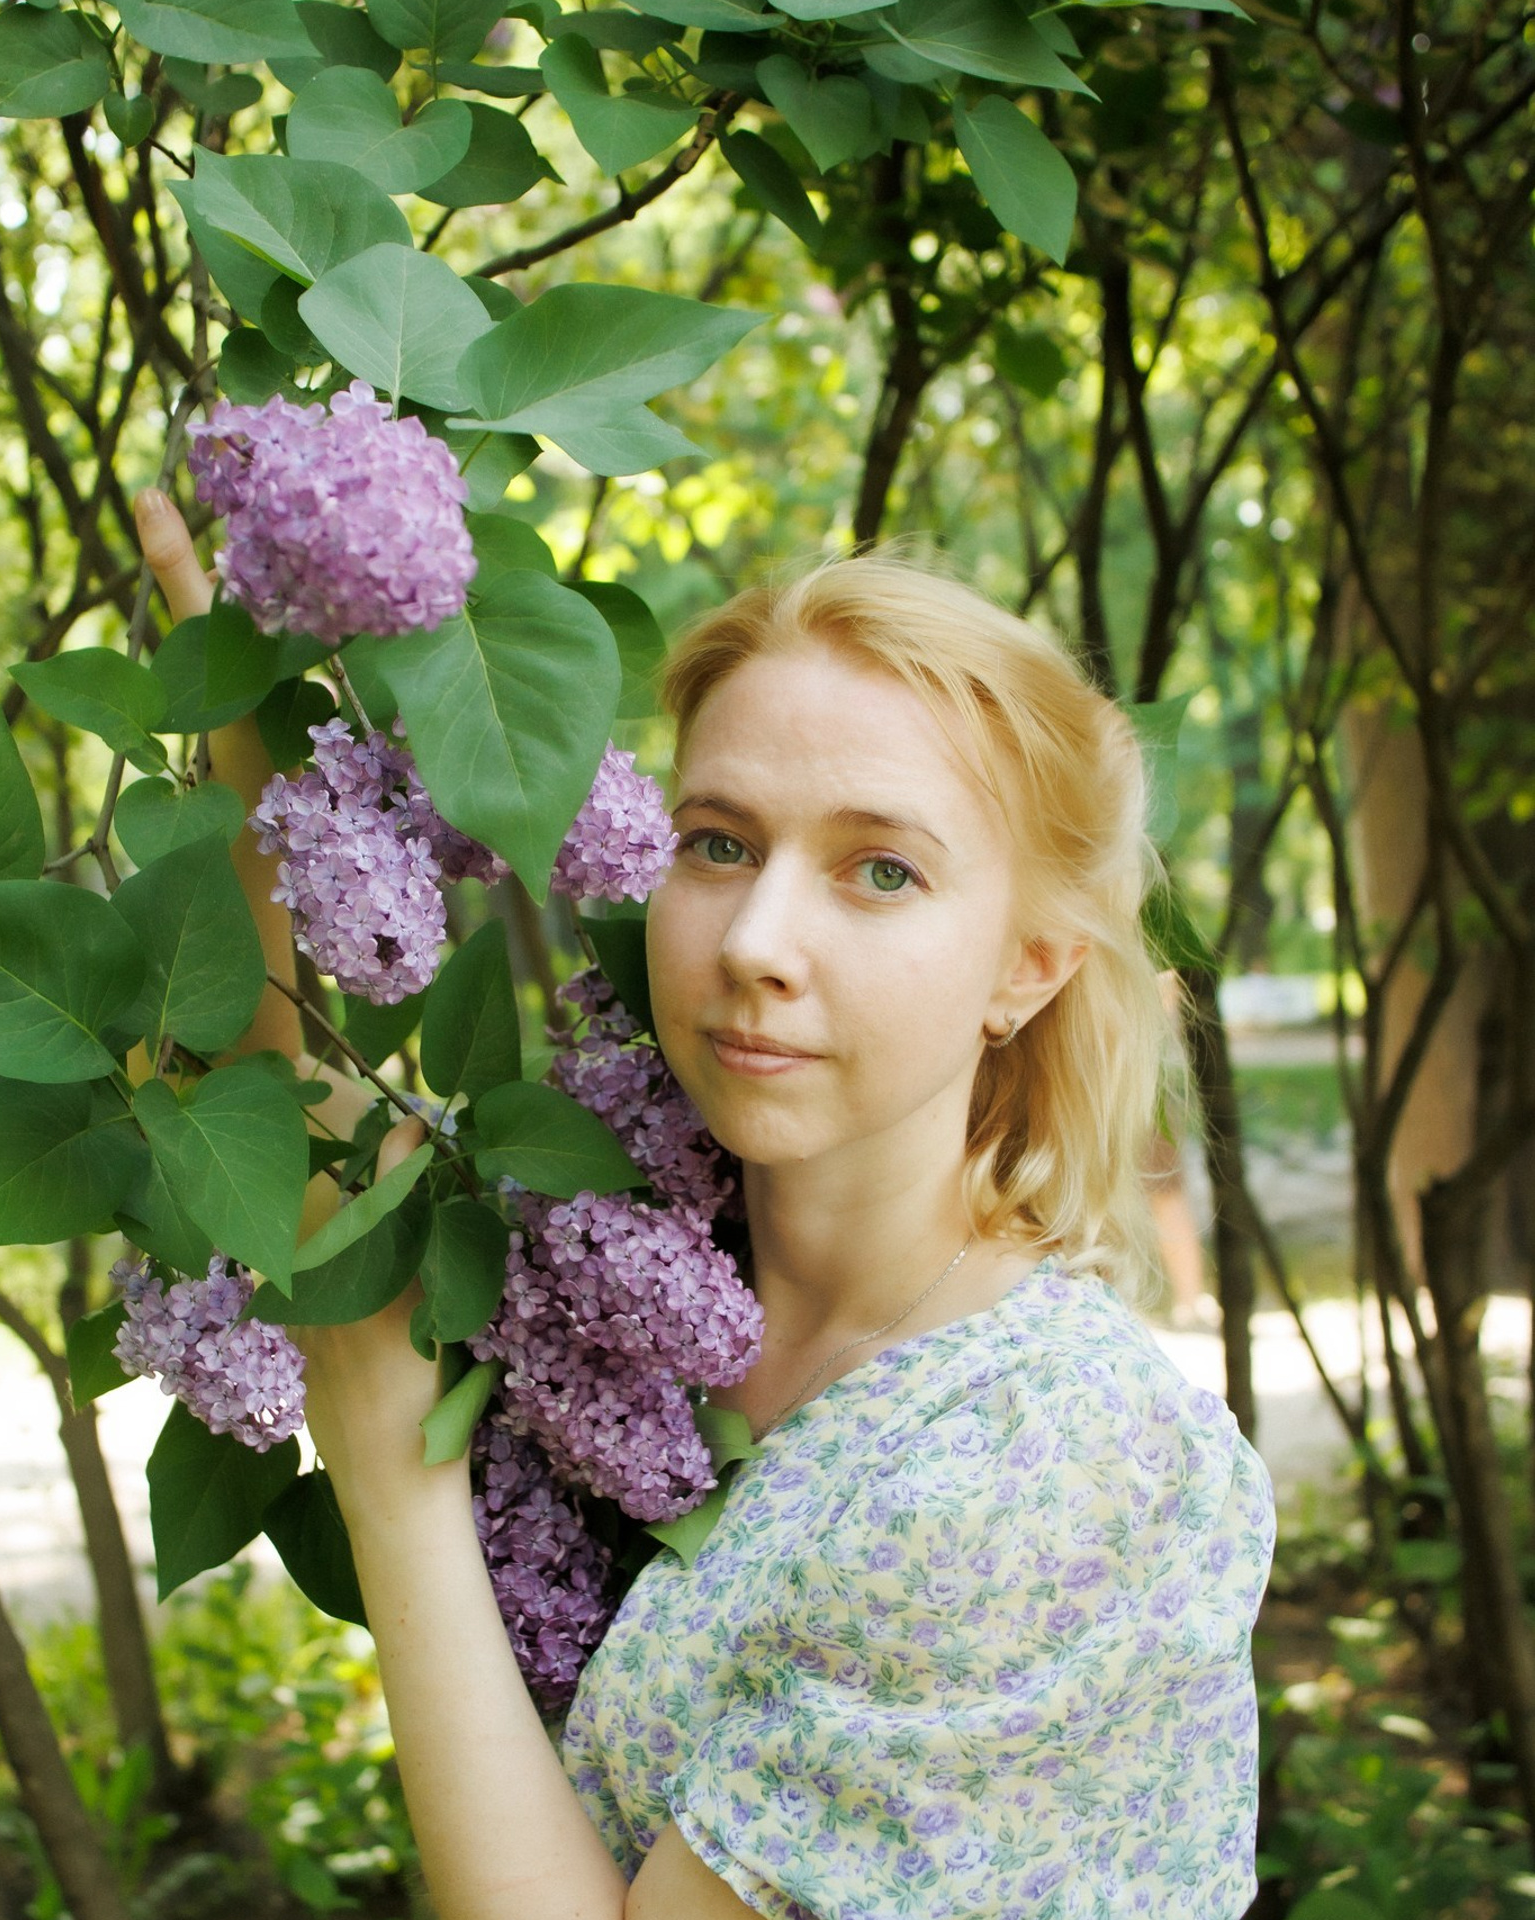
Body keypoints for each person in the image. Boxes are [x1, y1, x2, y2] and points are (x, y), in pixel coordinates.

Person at [136, 494, 1276, 1920]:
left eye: (881, 870)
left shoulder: (1048, 1468)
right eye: (719, 844)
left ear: (1027, 967)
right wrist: (245, 714)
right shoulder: (619, 1262)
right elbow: (266, 1125)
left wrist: (390, 1476)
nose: (755, 943)